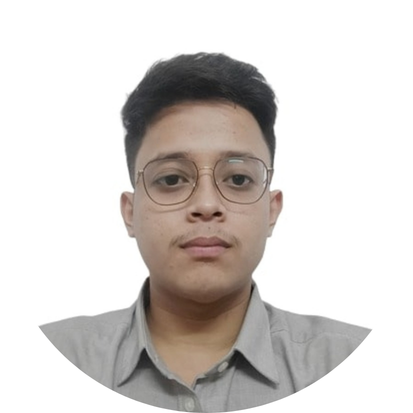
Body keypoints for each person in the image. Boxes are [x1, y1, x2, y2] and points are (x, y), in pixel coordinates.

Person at [40, 52, 371, 412]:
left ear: (272, 210)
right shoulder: (51, 358)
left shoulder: (352, 362)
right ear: (130, 213)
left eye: (238, 179)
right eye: (171, 179)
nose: (207, 204)